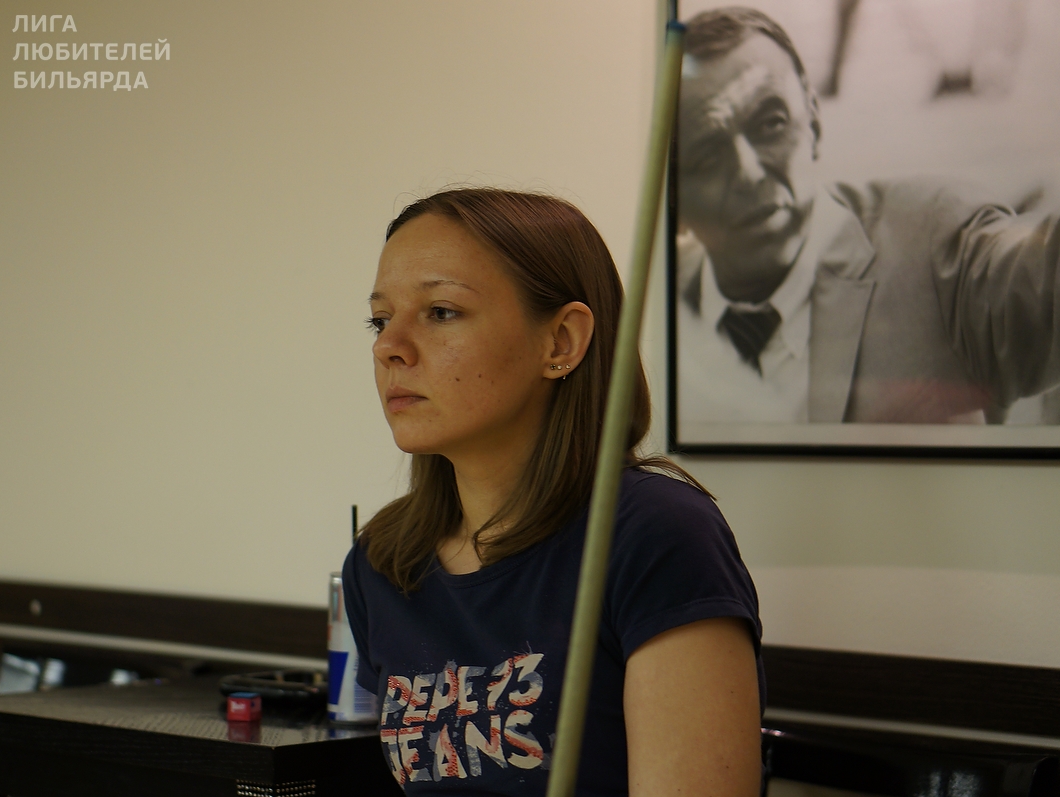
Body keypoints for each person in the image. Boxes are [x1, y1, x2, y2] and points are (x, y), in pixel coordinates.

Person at [342, 188, 763, 796]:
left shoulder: (655, 534)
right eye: (380, 320)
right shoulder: (384, 561)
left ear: (561, 341)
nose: (389, 347)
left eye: (441, 312)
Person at [676, 7, 1060, 425]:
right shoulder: (657, 306)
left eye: (771, 124)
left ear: (814, 122)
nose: (747, 173)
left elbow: (1041, 283)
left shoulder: (934, 243)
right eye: (707, 154)